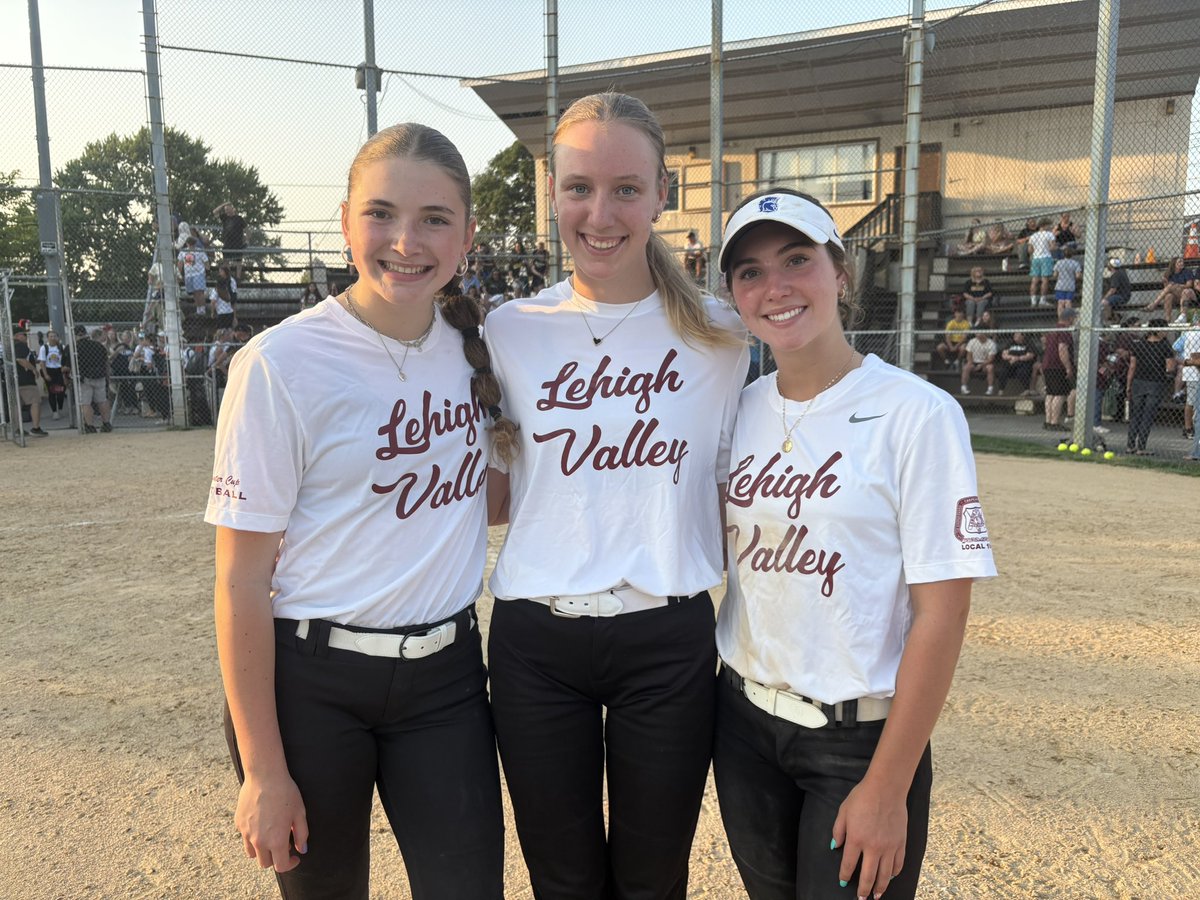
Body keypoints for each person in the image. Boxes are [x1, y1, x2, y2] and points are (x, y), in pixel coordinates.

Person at [206, 123, 516, 899]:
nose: (405, 241)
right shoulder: (280, 363)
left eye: (435, 219)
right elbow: (242, 582)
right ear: (345, 222)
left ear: (468, 235)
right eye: (381, 214)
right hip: (313, 685)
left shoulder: (481, 349)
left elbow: (495, 501)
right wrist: (264, 772)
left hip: (446, 677)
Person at [483, 92, 749, 900]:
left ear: (663, 193)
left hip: (665, 642)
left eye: (626, 189)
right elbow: (491, 490)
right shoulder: (506, 329)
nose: (600, 213)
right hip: (536, 642)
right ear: (552, 193)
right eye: (578, 188)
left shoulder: (723, 335)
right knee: (559, 878)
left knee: (653, 877)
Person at [714, 187, 996, 900]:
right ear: (734, 295)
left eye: (797, 260)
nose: (775, 286)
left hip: (858, 740)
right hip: (744, 725)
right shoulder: (738, 409)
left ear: (841, 273)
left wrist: (888, 786)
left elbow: (943, 613)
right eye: (749, 271)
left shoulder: (918, 414)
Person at [1125, 319, 1176, 455]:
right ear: (1158, 330)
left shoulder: (1139, 344)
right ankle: (1141, 447)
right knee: (1147, 415)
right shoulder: (1165, 346)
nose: (1166, 332)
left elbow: (1132, 367)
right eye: (1164, 329)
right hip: (1156, 383)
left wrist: (1128, 385)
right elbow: (1170, 367)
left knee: (1136, 414)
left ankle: (1130, 445)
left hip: (1138, 382)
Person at [67, 325, 113, 433]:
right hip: (100, 376)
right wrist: (107, 376)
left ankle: (90, 426)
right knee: (102, 400)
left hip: (84, 378)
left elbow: (69, 366)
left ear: (76, 335)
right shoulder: (98, 345)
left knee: (85, 403)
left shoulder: (75, 347)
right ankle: (106, 423)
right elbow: (106, 363)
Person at [1042, 307, 1076, 431]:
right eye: (1074, 318)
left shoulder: (1053, 330)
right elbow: (1062, 349)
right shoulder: (1064, 331)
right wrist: (1068, 367)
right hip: (1057, 365)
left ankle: (1048, 421)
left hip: (1047, 364)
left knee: (1050, 393)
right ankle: (1054, 422)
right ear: (1070, 318)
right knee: (1060, 394)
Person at [12, 326, 47, 436]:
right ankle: (36, 428)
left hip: (13, 380)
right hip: (25, 380)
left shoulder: (10, 346)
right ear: (17, 335)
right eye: (24, 335)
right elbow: (20, 359)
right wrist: (33, 369)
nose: (26, 337)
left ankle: (17, 429)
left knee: (17, 405)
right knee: (35, 402)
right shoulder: (20, 345)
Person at [1144, 256, 1195, 323]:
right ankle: (1167, 319)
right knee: (1168, 296)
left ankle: (1154, 304)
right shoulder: (1168, 273)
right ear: (1174, 264)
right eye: (1179, 262)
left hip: (1185, 294)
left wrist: (1176, 285)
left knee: (1171, 286)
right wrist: (1166, 283)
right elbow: (1167, 289)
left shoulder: (1187, 271)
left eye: (1182, 261)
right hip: (1175, 296)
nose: (1182, 263)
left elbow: (1189, 285)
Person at [37, 330, 68, 421]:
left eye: (55, 336)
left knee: (61, 391)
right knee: (52, 392)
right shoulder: (44, 348)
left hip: (59, 371)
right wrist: (45, 374)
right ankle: (54, 411)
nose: (53, 338)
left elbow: (65, 360)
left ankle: (60, 407)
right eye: (51, 336)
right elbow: (42, 362)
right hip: (49, 370)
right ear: (48, 338)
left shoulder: (61, 347)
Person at [996, 331, 1038, 395]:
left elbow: (1030, 356)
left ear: (1022, 336)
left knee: (1021, 372)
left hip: (1023, 363)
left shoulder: (1028, 343)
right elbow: (1004, 355)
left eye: (1017, 334)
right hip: (1011, 363)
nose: (1015, 336)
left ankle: (1026, 389)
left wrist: (1017, 358)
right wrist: (1012, 357)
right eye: (1014, 334)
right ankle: (1001, 390)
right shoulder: (1011, 342)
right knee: (1003, 371)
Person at [214, 202, 248, 281]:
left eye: (228, 209)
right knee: (226, 260)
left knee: (238, 261)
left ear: (233, 209)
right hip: (227, 242)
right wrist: (223, 204)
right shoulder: (225, 218)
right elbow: (215, 212)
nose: (227, 211)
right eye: (226, 210)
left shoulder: (239, 218)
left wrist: (247, 240)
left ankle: (238, 278)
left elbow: (247, 230)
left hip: (238, 243)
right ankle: (227, 276)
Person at [1027, 218, 1057, 308]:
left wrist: (1037, 250)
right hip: (1046, 258)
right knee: (1045, 280)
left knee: (1034, 280)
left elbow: (1030, 250)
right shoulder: (1049, 234)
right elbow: (1052, 248)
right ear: (1045, 225)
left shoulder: (1033, 236)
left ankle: (1033, 301)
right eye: (1049, 225)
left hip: (1036, 258)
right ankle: (1042, 300)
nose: (1050, 227)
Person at [961, 329, 999, 395]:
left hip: (986, 363)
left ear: (984, 333)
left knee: (990, 368)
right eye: (976, 333)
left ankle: (990, 389)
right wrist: (970, 363)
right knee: (966, 367)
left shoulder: (991, 343)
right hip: (974, 362)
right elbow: (969, 355)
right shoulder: (972, 341)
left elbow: (991, 358)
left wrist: (981, 365)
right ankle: (964, 387)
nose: (977, 334)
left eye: (979, 333)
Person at [934, 304, 971, 369]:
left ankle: (957, 361)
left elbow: (964, 337)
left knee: (963, 348)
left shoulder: (966, 324)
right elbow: (947, 336)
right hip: (950, 342)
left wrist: (956, 346)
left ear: (963, 314)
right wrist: (951, 346)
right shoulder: (950, 323)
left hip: (960, 342)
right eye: (957, 313)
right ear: (955, 314)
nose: (959, 315)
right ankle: (946, 360)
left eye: (960, 313)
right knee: (939, 347)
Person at [1052, 246, 1082, 318]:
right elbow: (1078, 276)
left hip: (1060, 284)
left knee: (1060, 302)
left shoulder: (1059, 262)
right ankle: (1069, 318)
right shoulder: (1075, 263)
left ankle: (1061, 319)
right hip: (1070, 284)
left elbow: (1055, 275)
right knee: (1068, 302)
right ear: (1072, 254)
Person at [1102, 257, 1133, 322]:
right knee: (1109, 302)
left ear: (1111, 266)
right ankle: (1115, 317)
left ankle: (1108, 319)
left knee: (1104, 302)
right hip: (1124, 296)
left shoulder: (1116, 274)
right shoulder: (1122, 272)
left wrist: (1104, 298)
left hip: (1121, 296)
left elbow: (1113, 290)